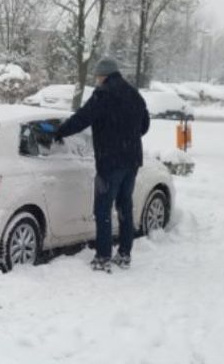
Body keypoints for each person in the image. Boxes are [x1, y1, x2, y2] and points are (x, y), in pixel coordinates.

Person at [53, 57, 151, 272]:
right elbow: (144, 126)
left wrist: (59, 131)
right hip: (132, 161)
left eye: (97, 76)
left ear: (103, 76)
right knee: (125, 206)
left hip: (110, 162)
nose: (96, 80)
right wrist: (128, 137)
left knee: (103, 209)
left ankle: (103, 256)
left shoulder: (103, 94)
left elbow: (82, 118)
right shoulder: (134, 94)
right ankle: (124, 254)